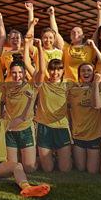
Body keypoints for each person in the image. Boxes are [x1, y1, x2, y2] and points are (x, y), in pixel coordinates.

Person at [26, 37, 72, 173]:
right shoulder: (43, 83)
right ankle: (45, 157)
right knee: (48, 169)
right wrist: (39, 48)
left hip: (61, 127)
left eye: (58, 70)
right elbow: (37, 67)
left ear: (63, 71)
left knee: (65, 169)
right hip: (44, 127)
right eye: (52, 69)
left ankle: (64, 156)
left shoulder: (68, 84)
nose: (55, 72)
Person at [66, 40, 101, 174]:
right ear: (79, 75)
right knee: (81, 169)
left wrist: (94, 46)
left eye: (89, 70)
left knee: (92, 171)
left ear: (94, 72)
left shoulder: (100, 87)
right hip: (78, 136)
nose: (86, 72)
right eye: (83, 71)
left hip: (95, 136)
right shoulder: (73, 90)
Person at [0, 58, 37, 173]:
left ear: (25, 73)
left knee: (29, 169)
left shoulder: (31, 85)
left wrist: (36, 47)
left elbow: (40, 72)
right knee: (12, 169)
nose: (17, 75)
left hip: (25, 129)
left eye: (20, 72)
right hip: (10, 130)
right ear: (10, 73)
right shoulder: (6, 87)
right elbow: (1, 104)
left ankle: (35, 159)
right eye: (14, 73)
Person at [58, 5, 99, 82]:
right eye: (73, 33)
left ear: (83, 36)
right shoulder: (66, 48)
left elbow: (98, 30)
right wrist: (52, 15)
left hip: (86, 84)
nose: (76, 34)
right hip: (69, 85)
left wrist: (100, 11)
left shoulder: (89, 48)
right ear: (70, 36)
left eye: (78, 32)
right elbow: (55, 33)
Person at [0, 2, 36, 81]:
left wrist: (30, 11)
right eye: (12, 38)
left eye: (17, 38)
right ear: (9, 40)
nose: (15, 40)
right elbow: (1, 71)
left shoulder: (26, 50)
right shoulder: (5, 55)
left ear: (22, 40)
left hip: (27, 84)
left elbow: (31, 32)